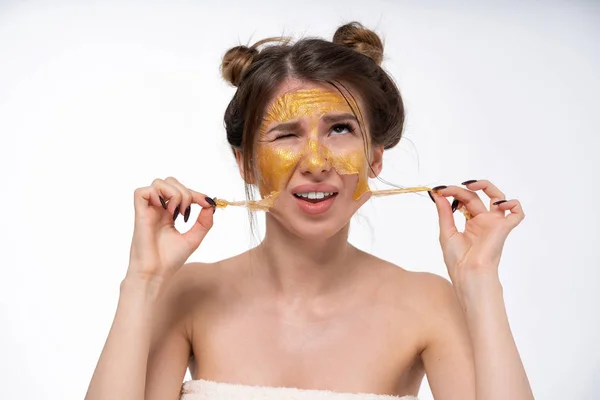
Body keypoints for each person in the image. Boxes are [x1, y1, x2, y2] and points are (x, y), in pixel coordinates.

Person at [85, 22, 534, 400]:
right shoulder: (188, 294)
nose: (316, 163)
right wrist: (141, 283)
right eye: (286, 135)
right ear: (246, 163)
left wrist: (480, 284)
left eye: (340, 129)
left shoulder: (427, 304)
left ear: (375, 157)